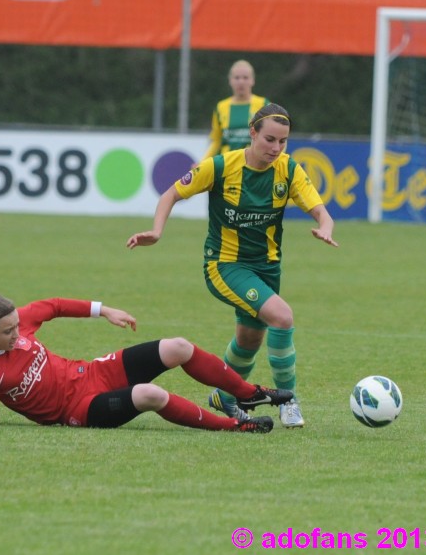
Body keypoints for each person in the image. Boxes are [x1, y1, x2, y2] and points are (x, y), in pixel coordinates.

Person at [127, 103, 338, 429]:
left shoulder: (289, 170)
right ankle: (289, 399)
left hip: (267, 268)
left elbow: (321, 211)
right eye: (269, 139)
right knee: (282, 317)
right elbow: (171, 194)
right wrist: (156, 231)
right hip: (225, 265)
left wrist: (325, 227)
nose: (276, 148)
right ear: (252, 133)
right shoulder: (221, 167)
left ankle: (224, 396)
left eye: (283, 142)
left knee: (250, 340)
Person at [0, 294, 293, 432]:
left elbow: (54, 306)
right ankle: (233, 427)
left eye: (16, 327)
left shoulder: (17, 321)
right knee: (150, 394)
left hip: (91, 372)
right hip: (79, 408)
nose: (16, 334)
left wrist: (106, 311)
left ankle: (248, 393)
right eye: (8, 332)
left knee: (178, 347)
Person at [204, 60, 269, 160]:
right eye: (237, 78)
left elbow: (274, 137)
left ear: (252, 80)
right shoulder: (221, 107)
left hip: (253, 164)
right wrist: (202, 163)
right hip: (227, 164)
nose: (241, 82)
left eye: (245, 78)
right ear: (230, 81)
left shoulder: (263, 105)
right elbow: (216, 141)